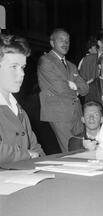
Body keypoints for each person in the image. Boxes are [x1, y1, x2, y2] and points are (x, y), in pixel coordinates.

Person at [37, 28, 89, 153]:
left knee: (80, 149)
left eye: (67, 41)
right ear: (52, 43)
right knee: (70, 151)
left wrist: (74, 87)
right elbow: (60, 88)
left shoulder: (71, 65)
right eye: (61, 40)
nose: (65, 43)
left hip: (77, 113)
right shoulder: (46, 61)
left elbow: (86, 88)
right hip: (59, 113)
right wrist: (76, 89)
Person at [0, 34, 44, 164]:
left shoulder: (19, 109)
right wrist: (27, 155)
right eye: (14, 67)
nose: (22, 73)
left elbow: (35, 147)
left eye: (23, 67)